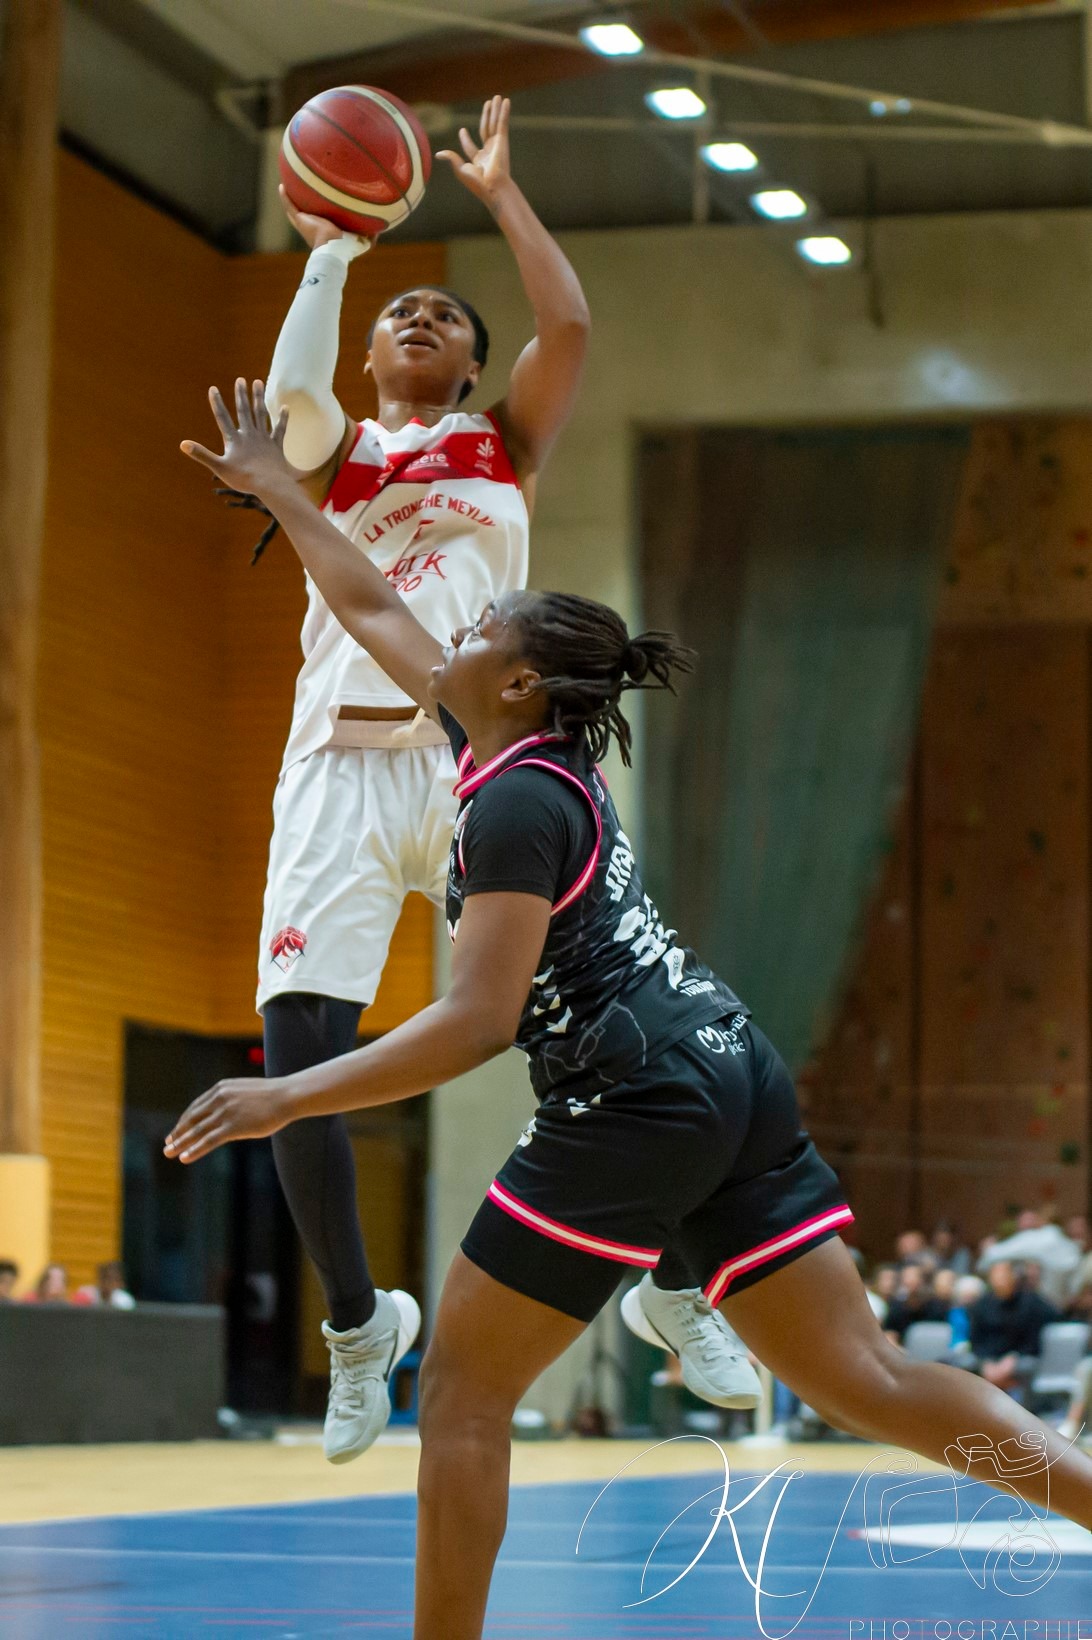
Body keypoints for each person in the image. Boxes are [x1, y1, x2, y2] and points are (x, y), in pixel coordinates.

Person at [168, 383, 1092, 1640]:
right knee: (868, 1377)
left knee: (460, 1394)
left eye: (483, 617)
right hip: (726, 1059)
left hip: (637, 1091)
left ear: (522, 675)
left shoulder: (511, 805)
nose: (459, 619)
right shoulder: (512, 749)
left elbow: (480, 1020)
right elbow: (373, 600)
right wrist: (280, 485)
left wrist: (289, 1090)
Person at [249, 96, 591, 1464]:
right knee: (299, 1056)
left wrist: (502, 197)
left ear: (469, 366)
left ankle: (686, 1282)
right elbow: (287, 402)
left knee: (588, 1021)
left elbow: (567, 330)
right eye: (401, 311)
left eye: (447, 318)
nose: (420, 321)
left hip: (475, 763)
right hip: (335, 761)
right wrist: (331, 247)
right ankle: (355, 1327)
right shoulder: (332, 452)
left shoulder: (503, 443)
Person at [967, 1260, 1060, 1395]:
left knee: (1028, 1367)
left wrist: (1013, 1359)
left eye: (1004, 1275)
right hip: (987, 1361)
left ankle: (1024, 1413)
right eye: (997, 1275)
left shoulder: (1030, 1302)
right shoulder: (981, 1305)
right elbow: (975, 1341)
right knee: (963, 1365)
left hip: (1019, 1359)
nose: (1001, 1279)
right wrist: (986, 1363)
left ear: (1013, 1277)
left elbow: (1034, 1340)